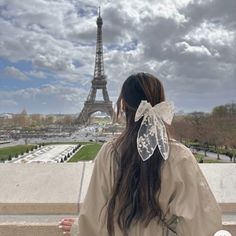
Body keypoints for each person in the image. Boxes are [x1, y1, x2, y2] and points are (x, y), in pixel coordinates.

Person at [59, 72, 222, 235]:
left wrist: (78, 228)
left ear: (123, 105)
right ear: (160, 103)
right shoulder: (180, 156)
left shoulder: (109, 152)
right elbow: (201, 223)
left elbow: (95, 216)